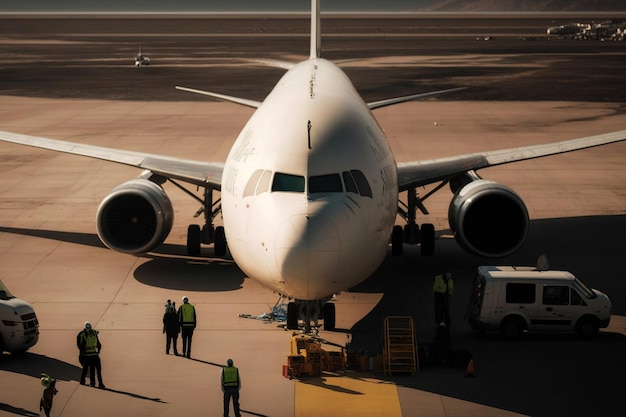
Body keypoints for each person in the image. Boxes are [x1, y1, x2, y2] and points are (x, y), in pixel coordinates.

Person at [76, 321, 105, 388]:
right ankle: (85, 381)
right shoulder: (82, 334)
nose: (89, 329)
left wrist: (98, 350)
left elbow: (98, 343)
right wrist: (82, 353)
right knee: (86, 369)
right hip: (87, 355)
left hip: (94, 354)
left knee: (98, 369)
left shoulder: (94, 333)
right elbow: (79, 345)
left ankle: (100, 383)